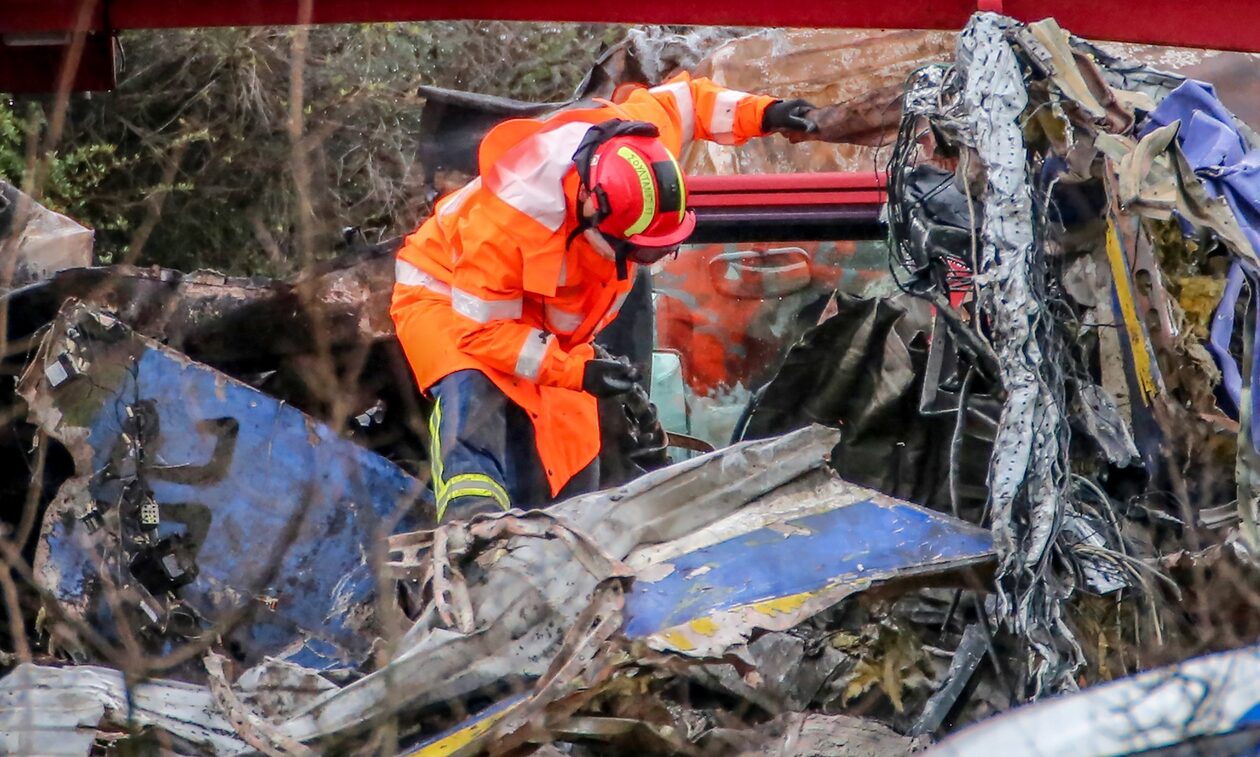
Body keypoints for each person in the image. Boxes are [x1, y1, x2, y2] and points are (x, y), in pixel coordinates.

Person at [391, 71, 818, 521]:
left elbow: (689, 102)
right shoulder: (510, 225)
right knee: (475, 393)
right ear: (593, 211)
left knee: (571, 451)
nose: (644, 261)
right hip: (448, 296)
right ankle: (473, 532)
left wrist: (766, 112)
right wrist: (576, 369)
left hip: (535, 318)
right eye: (637, 250)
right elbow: (483, 333)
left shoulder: (640, 152)